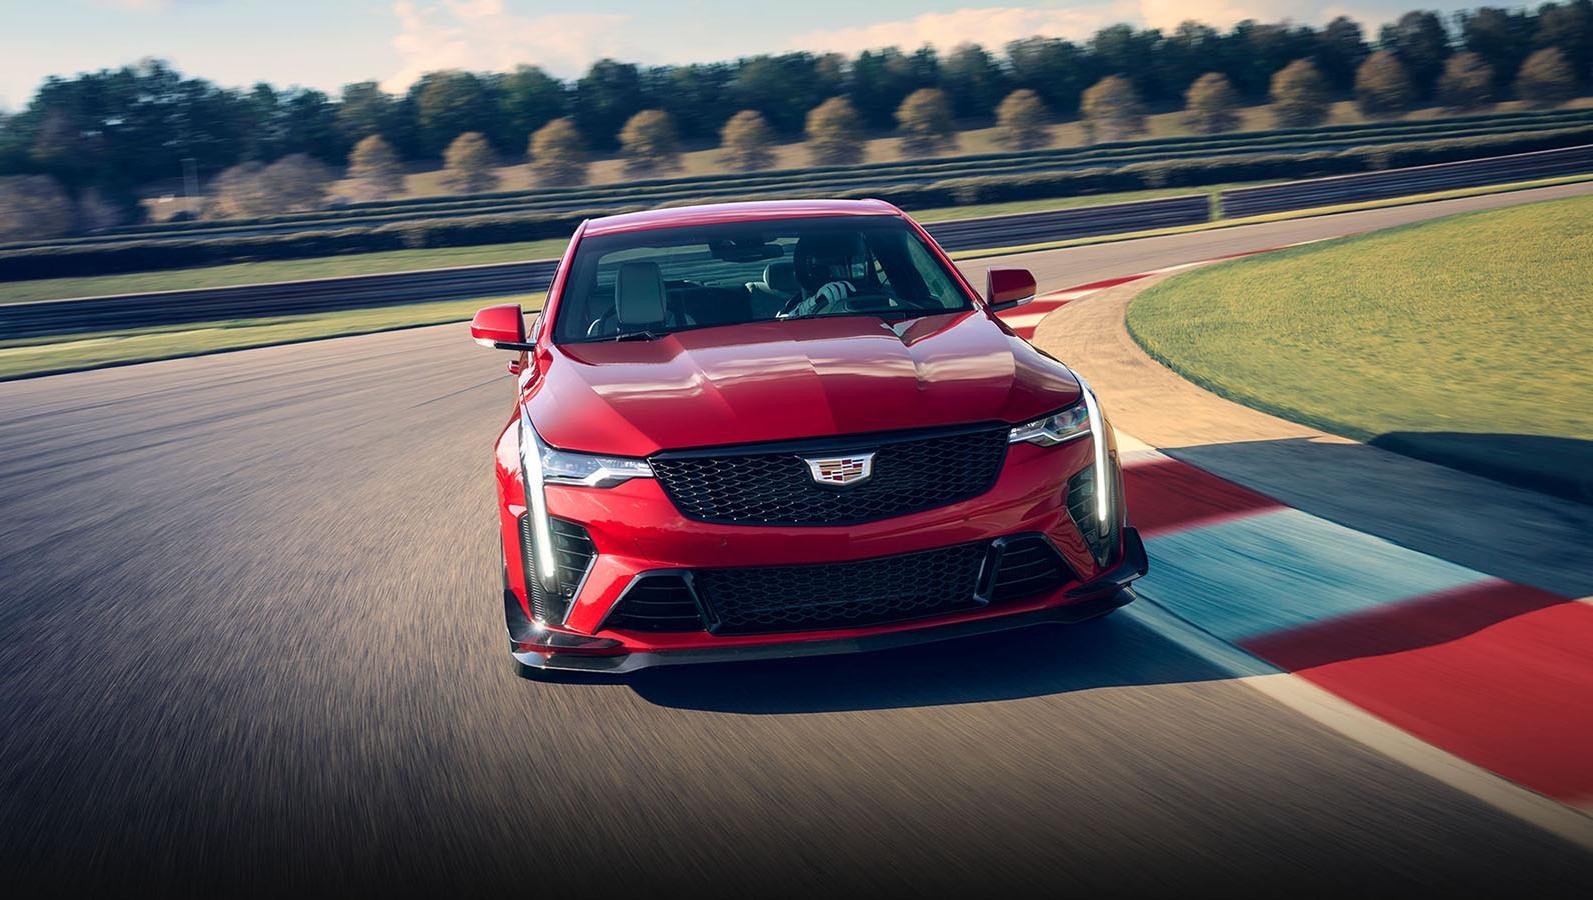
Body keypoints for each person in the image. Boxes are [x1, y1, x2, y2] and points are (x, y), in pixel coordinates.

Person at [780, 231, 873, 318]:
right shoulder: (793, 309)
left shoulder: (876, 299)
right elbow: (783, 322)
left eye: (857, 268)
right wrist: (810, 306)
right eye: (837, 269)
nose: (845, 277)